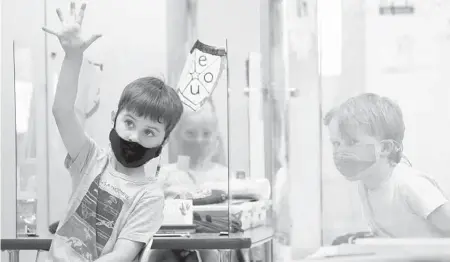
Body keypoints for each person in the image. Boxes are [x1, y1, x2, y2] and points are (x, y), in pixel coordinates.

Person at [42, 2, 183, 261]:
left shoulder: (149, 196)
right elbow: (62, 111)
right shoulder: (91, 159)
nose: (134, 137)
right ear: (113, 119)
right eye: (129, 123)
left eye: (149, 132)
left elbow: (121, 255)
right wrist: (73, 56)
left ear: (163, 141)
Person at [324, 93, 450, 239]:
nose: (340, 151)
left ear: (385, 148)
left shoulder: (408, 185)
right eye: (336, 143)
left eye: (352, 142)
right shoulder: (365, 185)